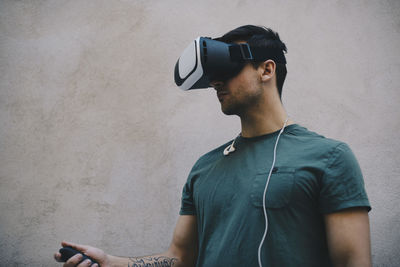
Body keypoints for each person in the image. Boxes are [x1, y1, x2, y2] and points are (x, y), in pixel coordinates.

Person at [54, 25, 372, 267]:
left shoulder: (329, 158)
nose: (216, 82)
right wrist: (113, 262)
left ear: (267, 69)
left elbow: (352, 261)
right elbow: (179, 257)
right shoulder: (205, 167)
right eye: (213, 74)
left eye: (227, 68)